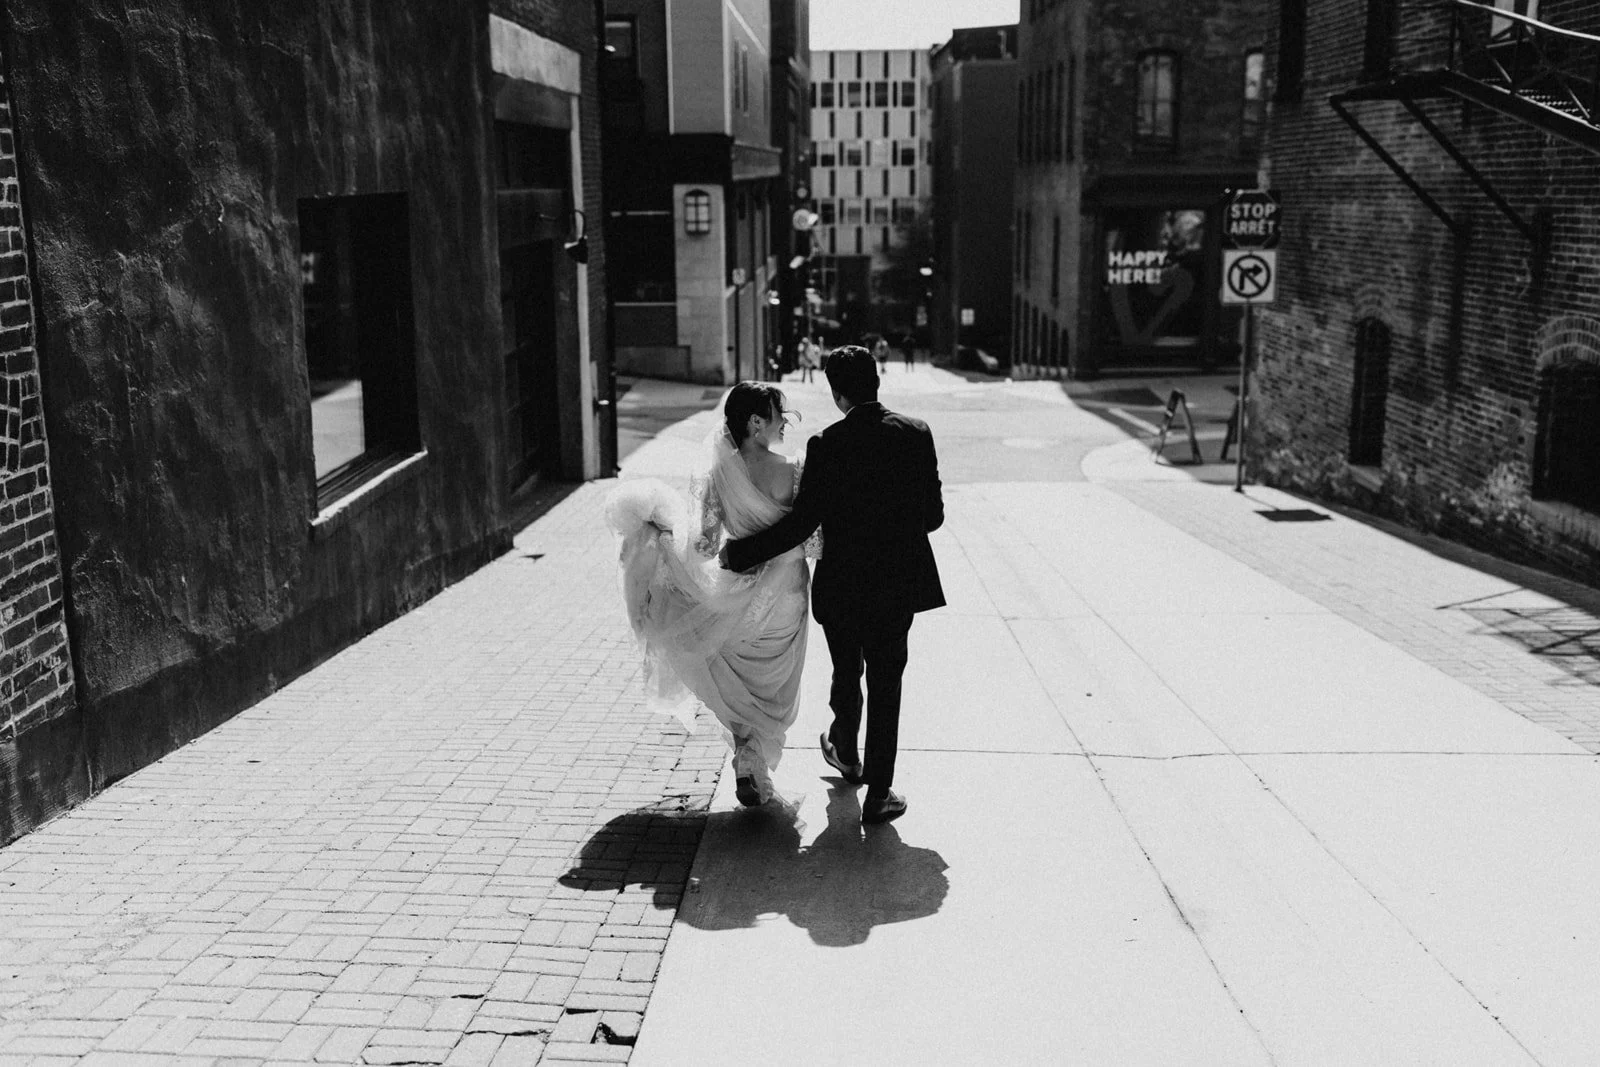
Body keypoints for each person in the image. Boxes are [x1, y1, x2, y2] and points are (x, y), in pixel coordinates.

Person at [723, 346, 945, 825]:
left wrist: (739, 554)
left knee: (847, 671)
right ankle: (879, 794)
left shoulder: (826, 444)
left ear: (837, 393)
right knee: (887, 682)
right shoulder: (916, 433)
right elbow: (934, 516)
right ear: (877, 383)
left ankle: (846, 750)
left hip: (843, 583)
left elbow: (802, 524)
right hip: (896, 582)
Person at [604, 382, 817, 807]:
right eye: (781, 414)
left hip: (739, 596)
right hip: (788, 596)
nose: (786, 422)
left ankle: (748, 756)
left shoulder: (717, 474)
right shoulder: (795, 470)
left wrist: (666, 543)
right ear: (756, 422)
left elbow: (703, 545)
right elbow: (812, 542)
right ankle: (753, 762)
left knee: (736, 680)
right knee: (776, 687)